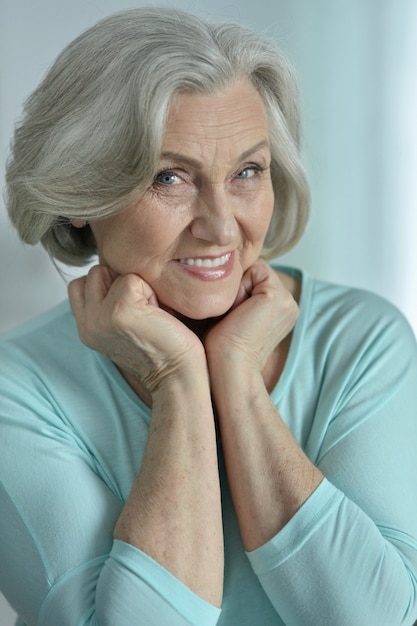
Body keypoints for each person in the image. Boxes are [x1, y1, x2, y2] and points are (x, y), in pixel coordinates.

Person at [1, 7, 416, 626]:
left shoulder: (361, 339)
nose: (221, 226)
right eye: (170, 177)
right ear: (82, 195)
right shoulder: (17, 387)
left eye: (247, 171)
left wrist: (237, 375)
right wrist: (178, 378)